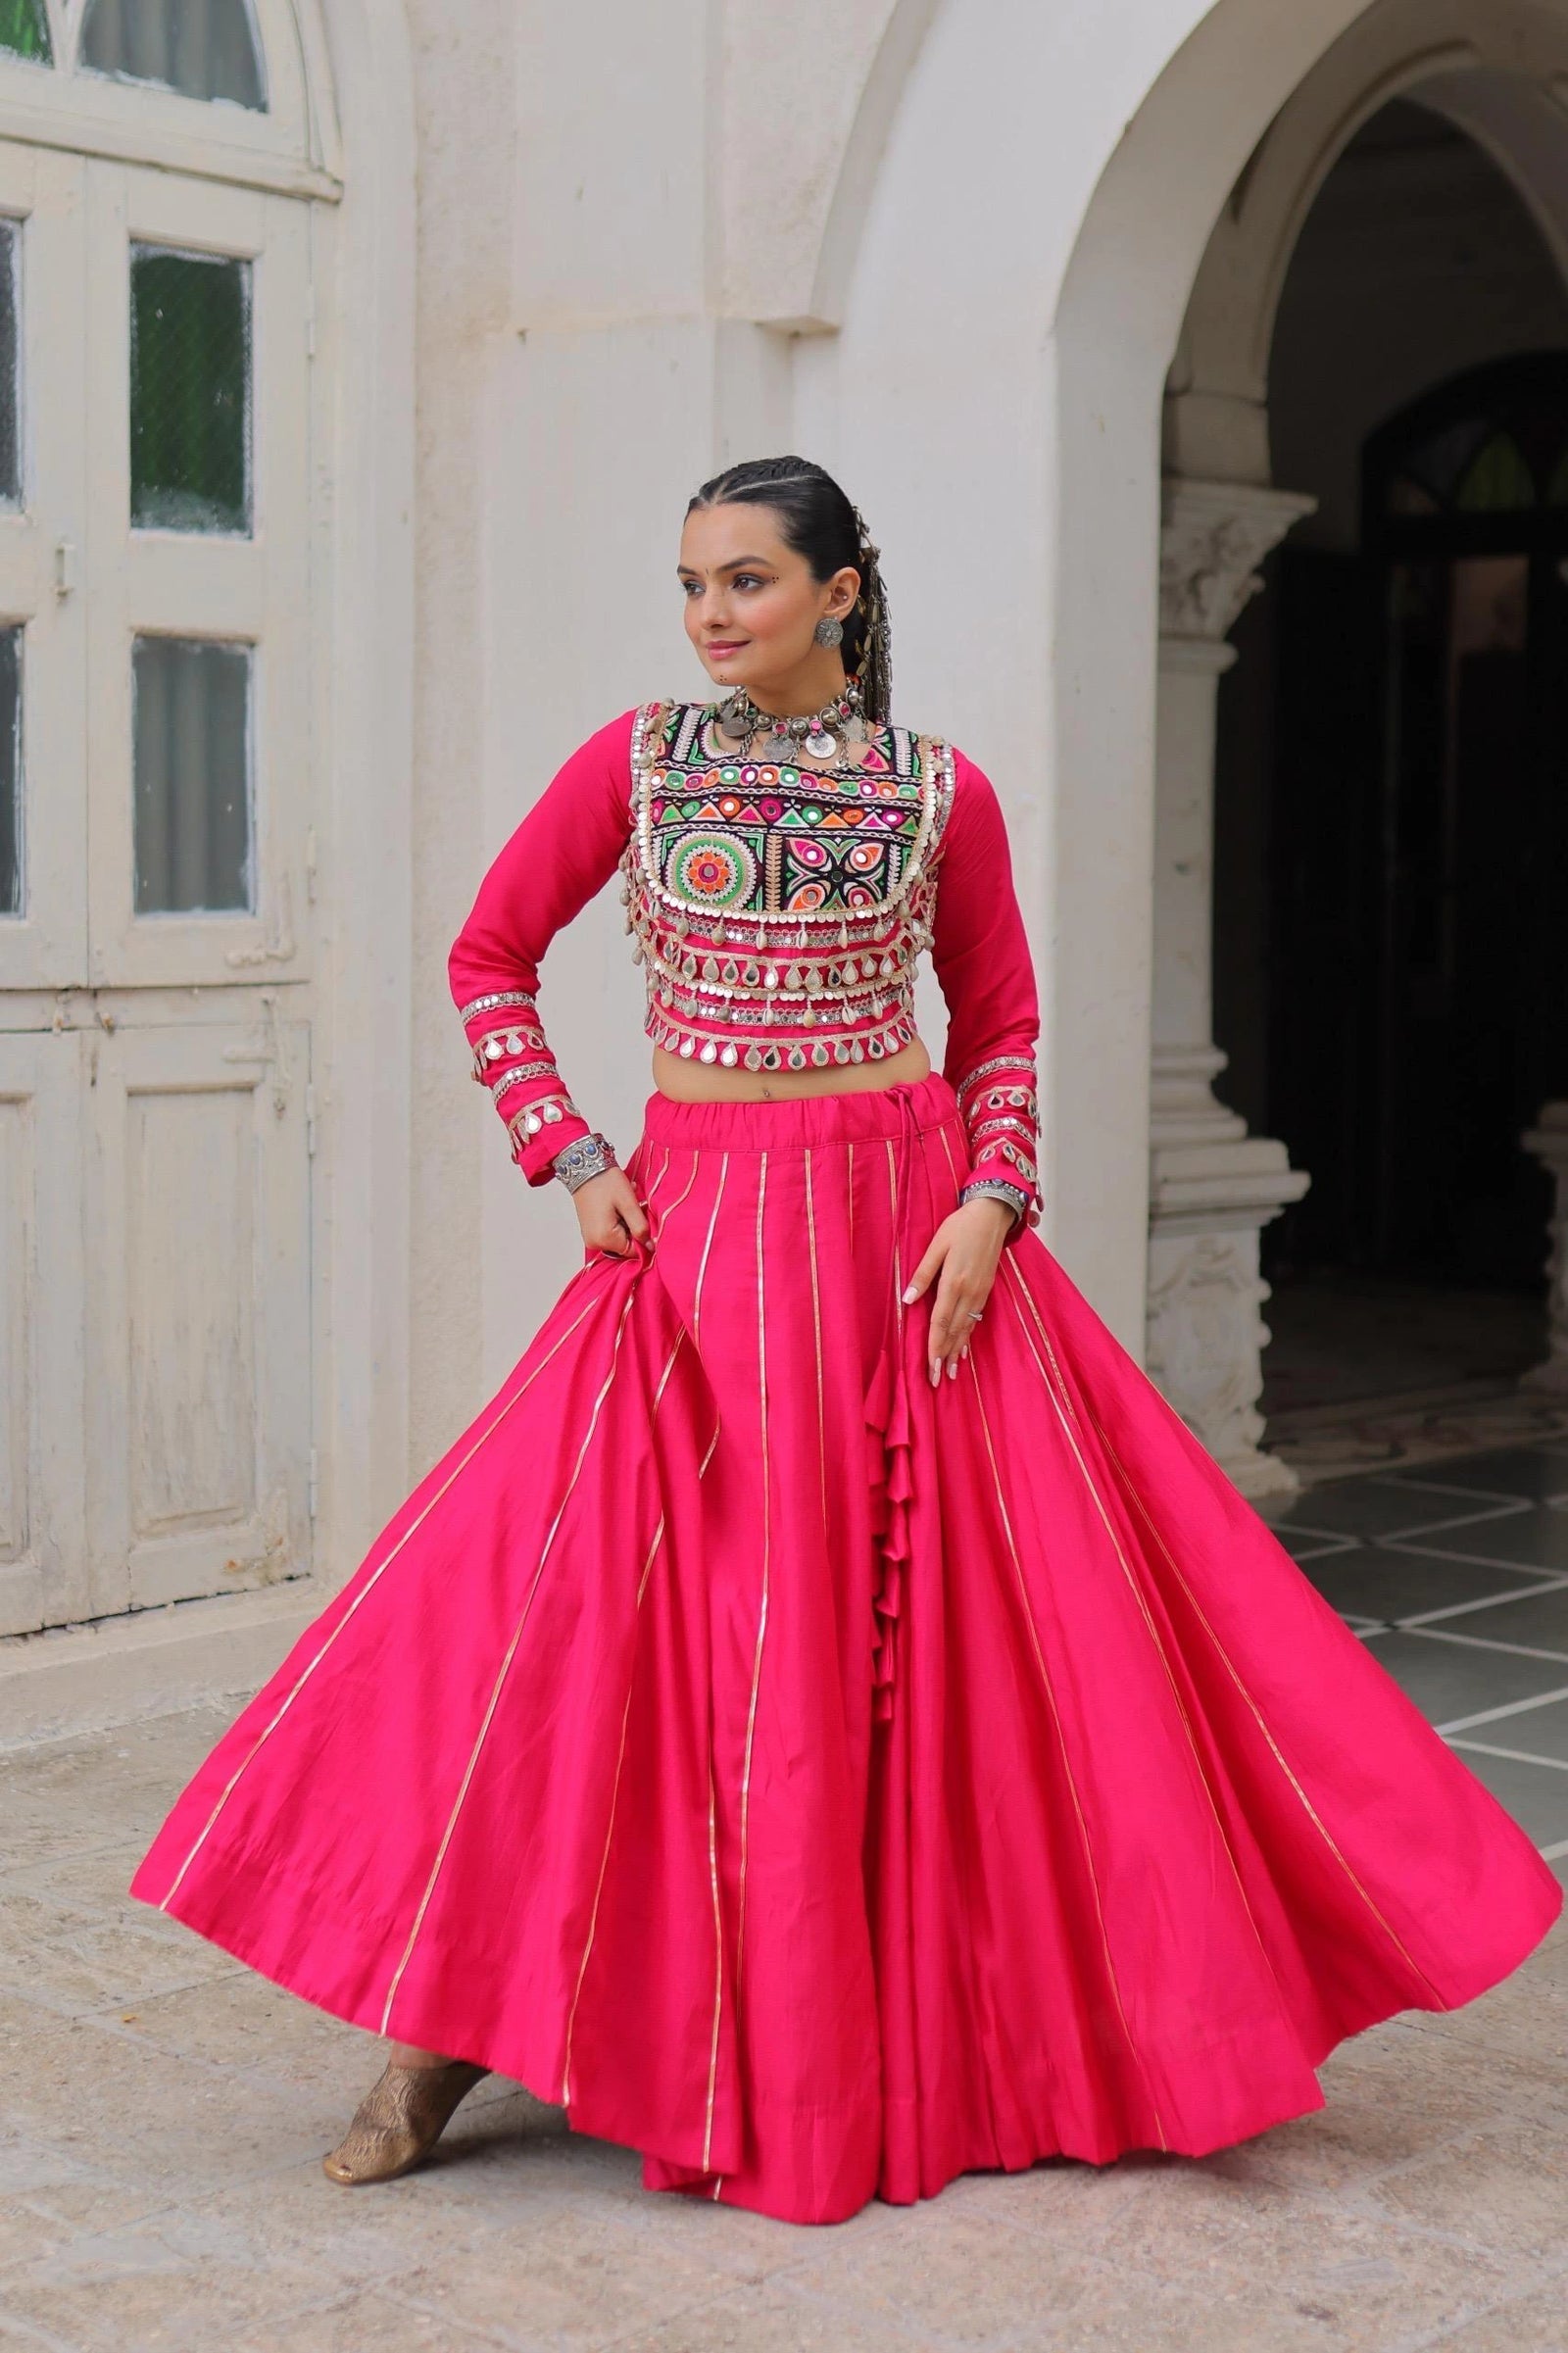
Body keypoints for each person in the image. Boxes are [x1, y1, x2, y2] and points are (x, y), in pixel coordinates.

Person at [130, 457, 1561, 2228]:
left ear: (841, 592)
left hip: (907, 1249)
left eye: (745, 580)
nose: (712, 617)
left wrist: (991, 1202)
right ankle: (448, 2028)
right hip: (698, 1238)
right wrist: (568, 1153)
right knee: (571, 1624)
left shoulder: (938, 792)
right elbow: (490, 953)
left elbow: (1007, 1023)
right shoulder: (638, 762)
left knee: (963, 1656)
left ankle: (969, 2028)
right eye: (691, 585)